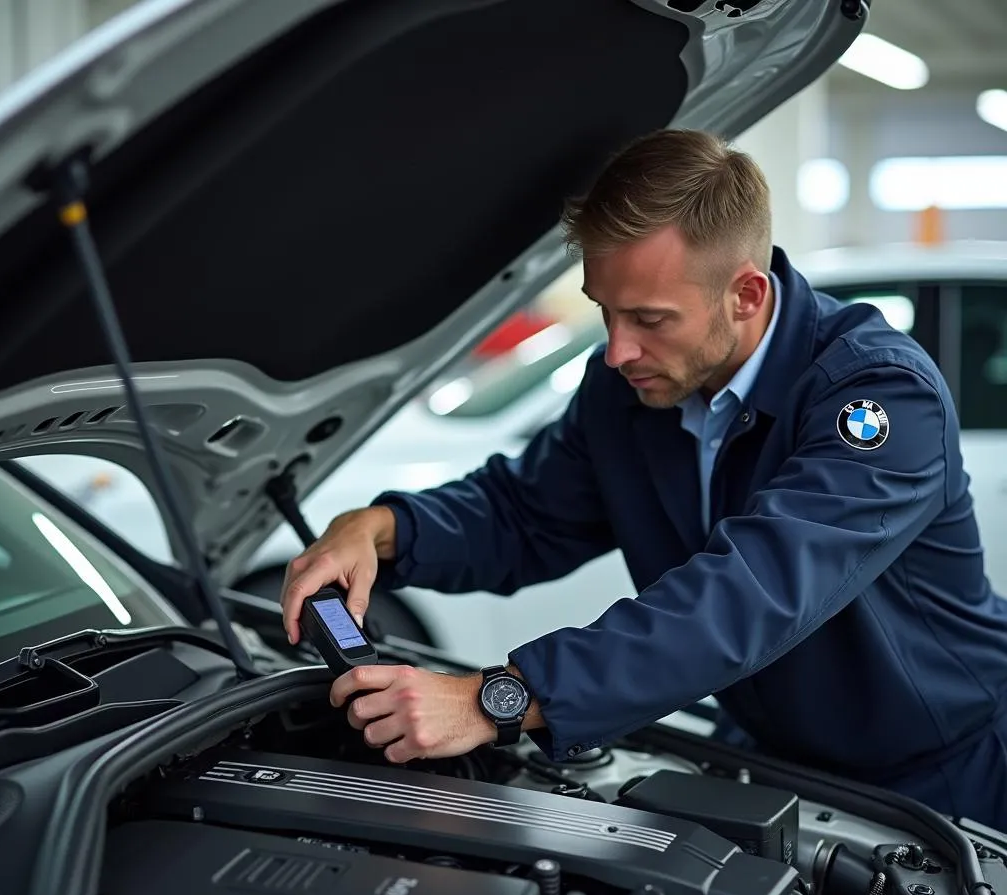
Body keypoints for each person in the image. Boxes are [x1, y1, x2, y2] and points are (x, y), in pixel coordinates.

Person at [281, 128, 1007, 828]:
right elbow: (523, 512)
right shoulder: (631, 391)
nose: (618, 350)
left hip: (941, 778)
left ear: (746, 296)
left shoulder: (876, 398)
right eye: (605, 312)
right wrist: (380, 530)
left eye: (649, 318)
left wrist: (494, 700)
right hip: (771, 758)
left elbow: (749, 594)